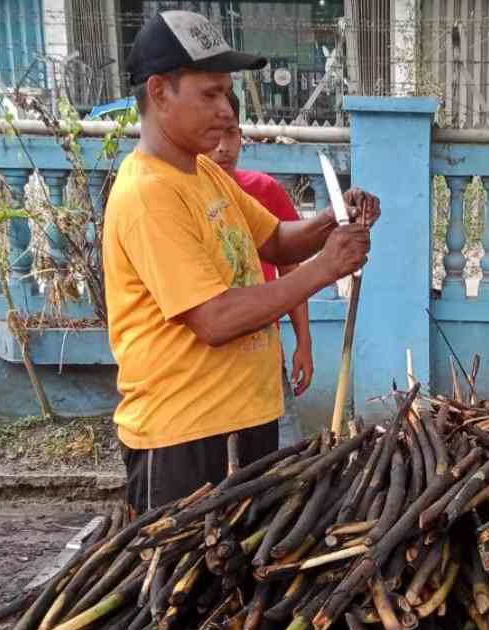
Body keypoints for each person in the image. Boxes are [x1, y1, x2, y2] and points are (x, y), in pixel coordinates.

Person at [104, 10, 380, 513]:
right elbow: (214, 318)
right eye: (209, 94)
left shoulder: (204, 175)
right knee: (187, 588)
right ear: (160, 91)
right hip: (184, 440)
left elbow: (274, 240)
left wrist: (331, 220)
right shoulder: (149, 193)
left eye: (227, 94)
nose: (227, 113)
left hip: (243, 422)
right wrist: (325, 269)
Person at [209, 91, 312, 448]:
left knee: (287, 457)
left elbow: (290, 266)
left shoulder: (263, 191)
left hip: (265, 358)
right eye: (215, 134)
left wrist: (304, 343)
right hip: (213, 370)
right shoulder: (180, 197)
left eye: (231, 134)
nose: (223, 147)